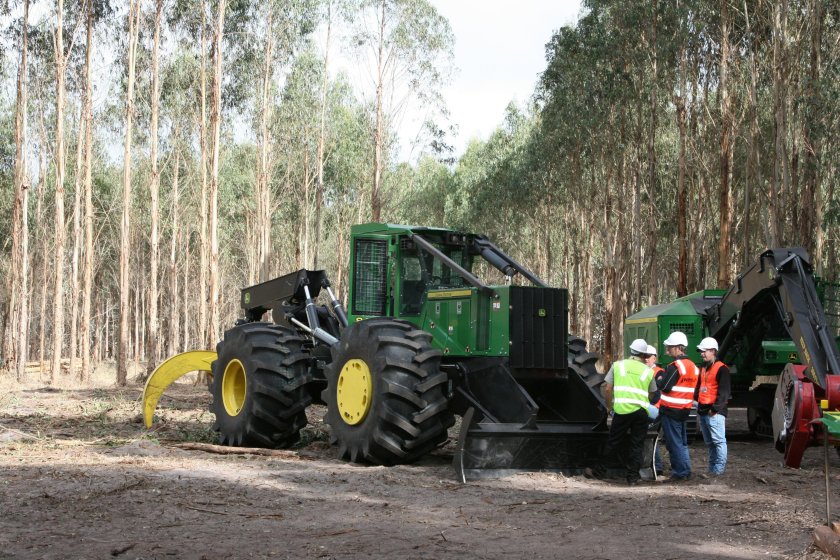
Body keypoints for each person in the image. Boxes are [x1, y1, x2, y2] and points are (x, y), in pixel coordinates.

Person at [586, 338, 658, 486]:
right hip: (641, 412)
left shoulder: (618, 366)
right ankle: (632, 478)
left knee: (613, 442)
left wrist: (609, 406)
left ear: (630, 351)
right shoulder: (648, 371)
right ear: (644, 355)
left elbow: (607, 388)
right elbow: (652, 393)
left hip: (622, 410)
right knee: (637, 445)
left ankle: (599, 470)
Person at [655, 331, 698, 482]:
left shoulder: (675, 366)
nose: (667, 349)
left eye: (670, 346)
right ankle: (685, 471)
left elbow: (664, 386)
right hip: (684, 409)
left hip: (671, 409)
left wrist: (659, 378)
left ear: (678, 348)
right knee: (682, 442)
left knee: (674, 443)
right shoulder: (692, 366)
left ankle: (680, 473)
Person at [694, 336, 731, 476]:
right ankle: (712, 470)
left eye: (704, 351)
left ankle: (718, 471)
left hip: (714, 412)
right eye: (701, 351)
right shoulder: (703, 368)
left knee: (718, 442)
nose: (702, 353)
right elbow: (699, 388)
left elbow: (724, 393)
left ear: (713, 351)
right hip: (704, 411)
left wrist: (714, 409)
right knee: (710, 443)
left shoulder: (722, 369)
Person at [646, 345, 665, 477]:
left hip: (654, 409)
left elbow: (657, 394)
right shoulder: (643, 371)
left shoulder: (659, 373)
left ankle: (657, 466)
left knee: (652, 438)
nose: (646, 359)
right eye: (644, 356)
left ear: (654, 358)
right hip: (648, 408)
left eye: (649, 357)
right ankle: (655, 466)